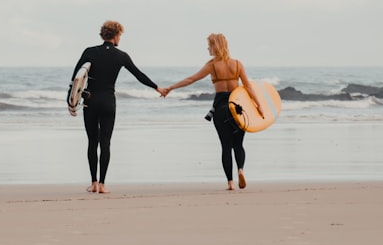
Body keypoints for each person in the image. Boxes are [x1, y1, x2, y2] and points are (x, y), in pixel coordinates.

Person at [161, 33, 263, 190]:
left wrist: (171, 88)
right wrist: (259, 106)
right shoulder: (237, 64)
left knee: (225, 146)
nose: (207, 48)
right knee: (239, 144)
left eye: (209, 45)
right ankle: (241, 170)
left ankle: (230, 183)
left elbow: (191, 79)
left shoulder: (212, 66)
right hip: (238, 107)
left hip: (221, 109)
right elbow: (248, 87)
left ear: (215, 46)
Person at [71, 20, 162, 194]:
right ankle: (104, 185)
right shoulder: (121, 55)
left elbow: (76, 77)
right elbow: (139, 75)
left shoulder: (89, 52)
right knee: (105, 143)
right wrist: (157, 87)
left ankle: (94, 183)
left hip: (91, 101)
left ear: (103, 34)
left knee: (92, 142)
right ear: (117, 35)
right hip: (108, 103)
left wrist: (71, 102)